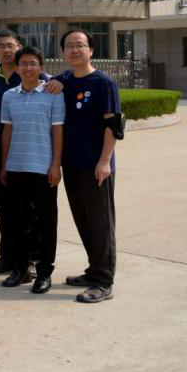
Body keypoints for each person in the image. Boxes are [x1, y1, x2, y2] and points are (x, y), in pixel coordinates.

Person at [0, 29, 62, 276]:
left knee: (34, 212)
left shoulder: (37, 76)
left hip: (34, 156)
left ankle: (32, 260)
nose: (6, 50)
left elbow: (56, 93)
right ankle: (9, 256)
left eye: (10, 45)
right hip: (2, 152)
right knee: (6, 209)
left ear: (18, 47)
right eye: (0, 45)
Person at [53, 28, 121, 304]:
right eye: (69, 45)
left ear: (91, 50)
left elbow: (113, 125)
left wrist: (105, 161)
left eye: (80, 45)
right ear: (63, 52)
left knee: (101, 223)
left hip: (96, 166)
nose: (74, 50)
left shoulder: (103, 83)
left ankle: (103, 282)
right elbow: (43, 81)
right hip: (72, 164)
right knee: (83, 219)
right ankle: (94, 270)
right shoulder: (65, 80)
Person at [0, 45, 64, 294]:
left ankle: (44, 272)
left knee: (46, 222)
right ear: (16, 68)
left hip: (43, 168)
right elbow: (7, 131)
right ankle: (21, 268)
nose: (28, 68)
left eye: (33, 63)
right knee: (18, 221)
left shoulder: (53, 94)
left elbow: (57, 131)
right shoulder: (9, 96)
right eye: (23, 63)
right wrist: (4, 164)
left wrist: (55, 165)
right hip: (15, 167)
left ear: (41, 67)